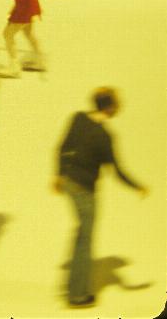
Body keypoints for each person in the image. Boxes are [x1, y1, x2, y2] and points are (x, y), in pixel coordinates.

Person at [53, 88, 148, 307]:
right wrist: (137, 187)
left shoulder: (77, 118)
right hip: (85, 191)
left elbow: (62, 147)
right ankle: (77, 295)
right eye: (117, 103)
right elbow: (117, 171)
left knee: (80, 237)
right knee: (85, 241)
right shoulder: (105, 136)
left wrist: (58, 174)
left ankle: (72, 285)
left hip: (68, 182)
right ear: (110, 107)